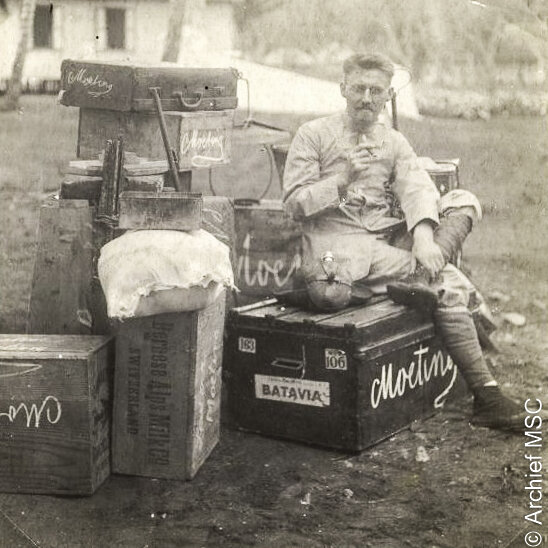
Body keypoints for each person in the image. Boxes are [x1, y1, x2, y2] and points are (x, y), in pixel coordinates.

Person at [282, 52, 530, 432]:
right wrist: (342, 179)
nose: (366, 97)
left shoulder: (393, 141)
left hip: (384, 241)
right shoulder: (313, 134)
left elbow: (417, 188)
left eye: (376, 91)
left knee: (461, 210)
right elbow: (294, 204)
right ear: (343, 89)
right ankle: (359, 285)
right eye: (359, 88)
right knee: (331, 294)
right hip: (336, 241)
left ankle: (485, 392)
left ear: (386, 96)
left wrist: (425, 237)